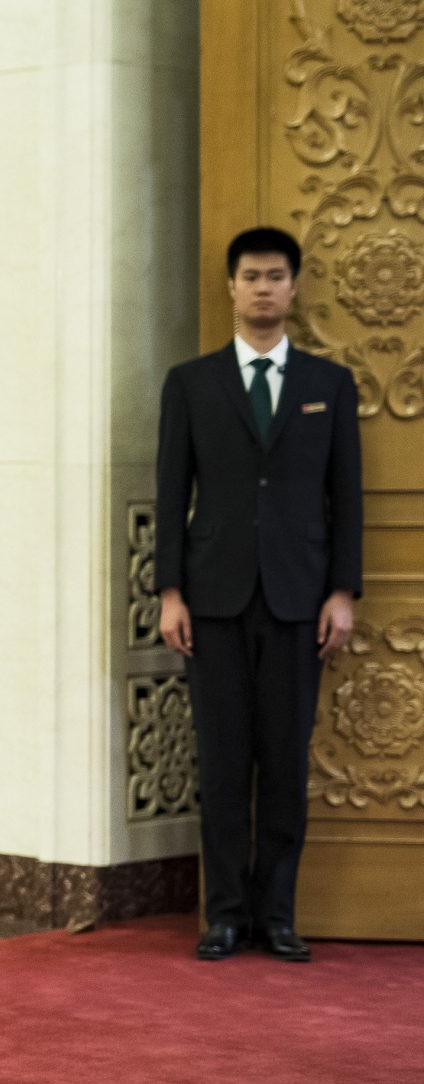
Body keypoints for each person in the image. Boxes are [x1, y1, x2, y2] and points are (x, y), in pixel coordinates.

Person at [155, 225, 362, 964]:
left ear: (294, 287)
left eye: (276, 276)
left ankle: (276, 916)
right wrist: (169, 590)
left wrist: (342, 591)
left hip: (300, 601)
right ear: (232, 287)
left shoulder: (328, 385)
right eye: (251, 276)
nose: (264, 288)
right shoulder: (191, 383)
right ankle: (223, 915)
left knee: (282, 764)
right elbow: (171, 489)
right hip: (211, 599)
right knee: (221, 762)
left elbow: (346, 495)